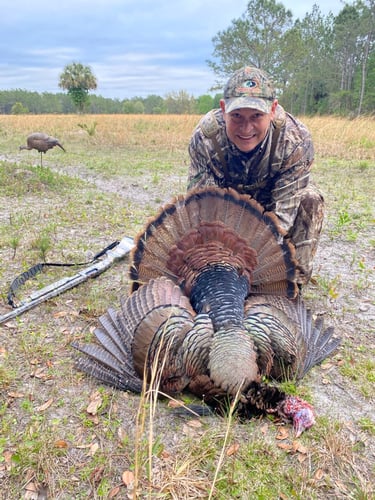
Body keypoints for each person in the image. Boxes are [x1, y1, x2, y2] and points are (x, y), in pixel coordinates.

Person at [188, 66, 324, 286]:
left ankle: (291, 284)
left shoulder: (295, 139)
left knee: (311, 199)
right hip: (228, 214)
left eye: (257, 116)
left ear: (273, 109)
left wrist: (250, 259)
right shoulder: (207, 138)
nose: (246, 127)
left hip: (272, 212)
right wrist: (223, 263)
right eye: (237, 116)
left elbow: (282, 220)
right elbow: (204, 208)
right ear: (223, 109)